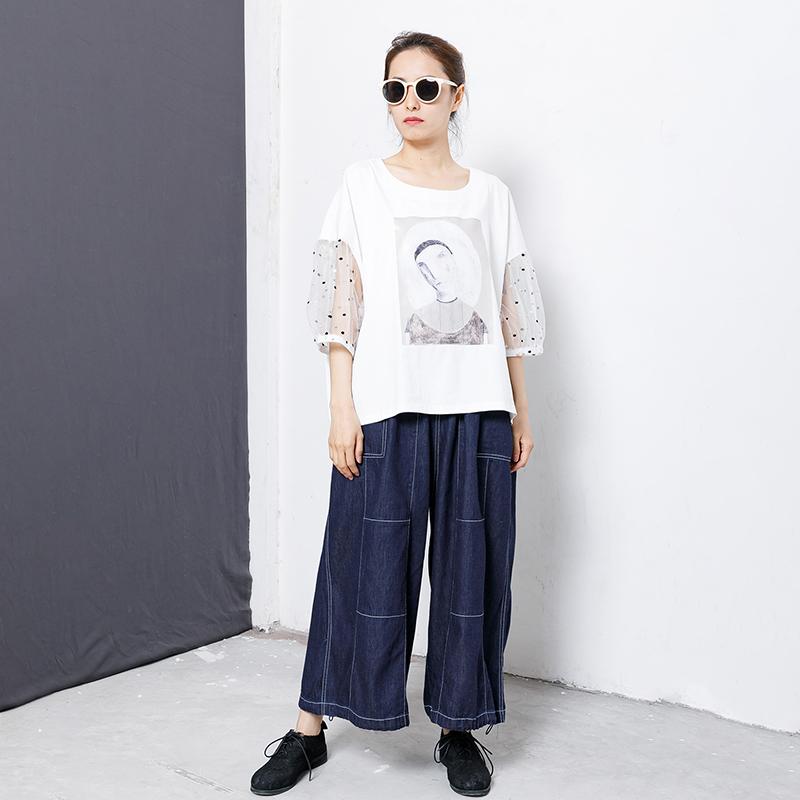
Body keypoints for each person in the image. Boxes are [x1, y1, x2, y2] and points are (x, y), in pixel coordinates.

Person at [250, 30, 546, 798]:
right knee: (357, 568)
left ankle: (459, 727)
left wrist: (520, 409)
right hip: (387, 408)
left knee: (473, 578)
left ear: (456, 95)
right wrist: (340, 405)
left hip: (478, 412)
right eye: (395, 89)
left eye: (425, 87)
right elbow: (338, 308)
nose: (409, 102)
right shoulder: (363, 186)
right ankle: (310, 728)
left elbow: (510, 311)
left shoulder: (490, 197)